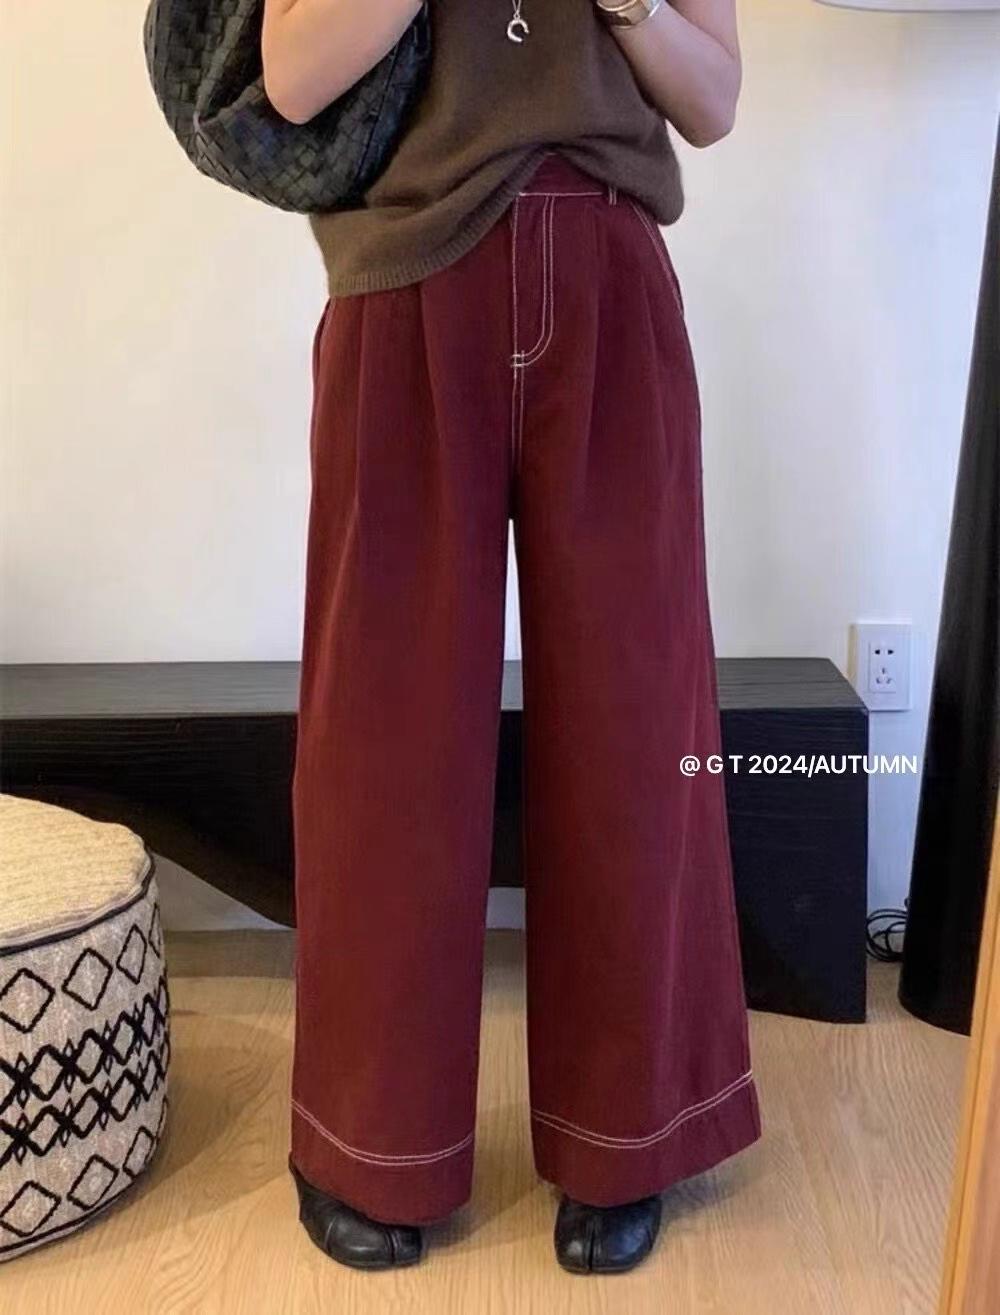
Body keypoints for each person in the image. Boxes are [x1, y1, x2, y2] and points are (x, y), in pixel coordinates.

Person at [262, 0, 762, 1275]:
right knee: (384, 739)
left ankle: (628, 1135)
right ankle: (370, 1142)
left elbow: (712, 101)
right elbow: (293, 75)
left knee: (637, 725)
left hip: (609, 275)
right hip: (404, 276)